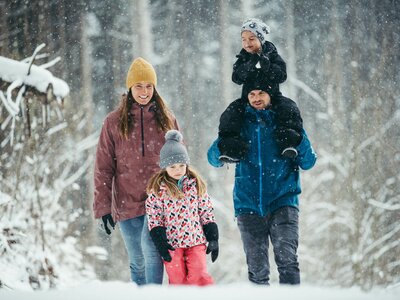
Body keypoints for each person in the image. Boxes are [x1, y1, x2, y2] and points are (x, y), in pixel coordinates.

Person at [207, 77, 317, 285]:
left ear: (271, 94)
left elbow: (309, 161)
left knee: (287, 261)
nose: (256, 98)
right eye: (251, 94)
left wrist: (298, 139)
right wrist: (223, 146)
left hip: (283, 201)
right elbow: (212, 159)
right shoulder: (238, 123)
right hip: (247, 205)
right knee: (257, 270)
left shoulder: (285, 121)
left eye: (261, 93)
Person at [93, 57, 180, 285]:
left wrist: (182, 199)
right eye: (139, 86)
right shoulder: (113, 122)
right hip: (126, 201)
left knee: (153, 254)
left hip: (159, 201)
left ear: (155, 88)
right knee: (137, 259)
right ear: (130, 88)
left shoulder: (167, 120)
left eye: (149, 86)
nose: (144, 91)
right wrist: (103, 207)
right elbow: (103, 168)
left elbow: (181, 163)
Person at [218, 18, 303, 163]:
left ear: (261, 39)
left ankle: (287, 142)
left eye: (251, 39)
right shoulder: (243, 57)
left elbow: (282, 75)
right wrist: (248, 65)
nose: (247, 43)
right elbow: (236, 78)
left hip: (273, 96)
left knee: (288, 109)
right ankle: (232, 148)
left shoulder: (272, 54)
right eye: (243, 39)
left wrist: (268, 66)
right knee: (231, 113)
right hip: (248, 99)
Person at [146, 130, 219, 286]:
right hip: (172, 244)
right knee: (177, 279)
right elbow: (154, 218)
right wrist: (161, 242)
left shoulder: (196, 185)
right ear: (164, 167)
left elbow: (206, 212)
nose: (178, 169)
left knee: (198, 276)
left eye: (181, 165)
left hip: (196, 241)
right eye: (172, 166)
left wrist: (213, 237)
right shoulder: (158, 190)